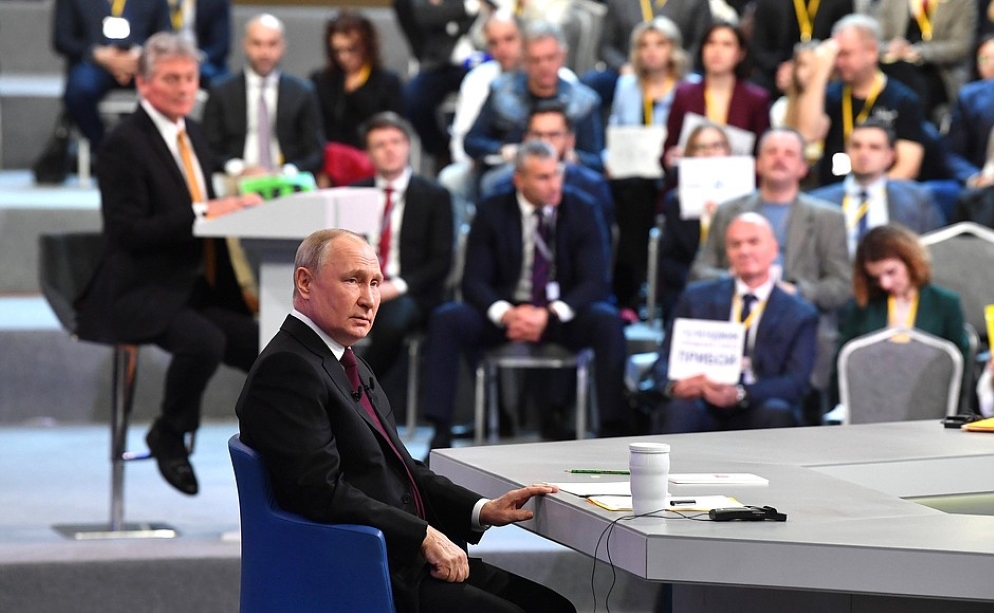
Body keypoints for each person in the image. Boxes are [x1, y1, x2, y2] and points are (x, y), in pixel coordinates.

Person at [235, 229, 576, 613]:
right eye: (353, 281)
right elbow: (320, 493)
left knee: (553, 607)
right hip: (363, 571)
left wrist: (481, 509)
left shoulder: (343, 360)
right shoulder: (288, 369)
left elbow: (400, 467)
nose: (369, 299)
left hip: (402, 559)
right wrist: (423, 536)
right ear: (305, 282)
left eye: (375, 283)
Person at [76, 32, 262, 496]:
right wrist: (203, 212)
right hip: (142, 286)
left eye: (190, 78)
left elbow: (207, 205)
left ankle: (279, 447)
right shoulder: (122, 143)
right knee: (205, 342)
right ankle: (169, 433)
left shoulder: (192, 132)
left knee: (266, 347)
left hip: (194, 285)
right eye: (171, 79)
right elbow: (127, 232)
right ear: (143, 83)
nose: (184, 88)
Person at [423, 141, 627, 449]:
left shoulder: (583, 209)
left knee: (607, 321)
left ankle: (613, 432)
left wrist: (549, 314)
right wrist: (506, 313)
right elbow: (474, 281)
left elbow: (595, 282)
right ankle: (440, 434)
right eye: (543, 177)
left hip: (561, 313)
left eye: (557, 173)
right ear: (519, 180)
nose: (554, 184)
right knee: (447, 319)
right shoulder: (492, 210)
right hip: (508, 312)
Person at [691, 127, 851, 414]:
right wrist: (734, 280)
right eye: (772, 152)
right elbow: (700, 271)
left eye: (789, 153)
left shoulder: (829, 218)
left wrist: (796, 292)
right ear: (757, 163)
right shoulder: (728, 211)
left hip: (797, 328)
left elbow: (842, 286)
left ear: (803, 167)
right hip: (731, 323)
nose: (780, 159)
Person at [651, 213, 818, 433]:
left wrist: (740, 394)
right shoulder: (695, 299)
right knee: (680, 409)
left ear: (774, 249)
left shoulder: (799, 313)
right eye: (735, 244)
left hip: (757, 403)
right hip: (701, 401)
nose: (744, 251)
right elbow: (663, 360)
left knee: (776, 412)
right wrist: (674, 386)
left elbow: (796, 382)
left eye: (753, 242)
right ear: (727, 252)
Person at [350, 112, 454, 400]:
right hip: (359, 287)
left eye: (395, 142)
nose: (390, 150)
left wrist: (393, 287)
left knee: (394, 320)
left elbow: (441, 262)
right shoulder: (355, 194)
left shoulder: (434, 195)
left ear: (408, 145)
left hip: (409, 291)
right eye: (380, 144)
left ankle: (355, 390)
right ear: (368, 153)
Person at [831, 223, 969, 405]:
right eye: (876, 278)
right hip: (874, 401)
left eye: (891, 272)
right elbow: (843, 363)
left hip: (930, 400)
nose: (885, 284)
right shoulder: (865, 307)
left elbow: (961, 367)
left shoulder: (945, 303)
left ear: (911, 261)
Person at [798, 14, 927, 187]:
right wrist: (820, 71)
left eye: (846, 54)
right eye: (836, 55)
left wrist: (866, 194)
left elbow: (908, 167)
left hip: (881, 194)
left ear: (871, 51)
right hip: (832, 192)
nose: (839, 62)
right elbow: (807, 134)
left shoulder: (902, 100)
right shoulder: (832, 94)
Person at [465, 21, 604, 176]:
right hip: (510, 174)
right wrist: (502, 150)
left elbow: (597, 161)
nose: (544, 66)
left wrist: (575, 157)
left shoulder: (584, 102)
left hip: (567, 176)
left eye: (550, 58)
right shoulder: (502, 93)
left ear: (562, 56)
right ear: (524, 60)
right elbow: (471, 141)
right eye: (535, 60)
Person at [202, 13, 324, 180]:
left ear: (282, 47)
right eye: (257, 44)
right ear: (245, 45)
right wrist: (238, 169)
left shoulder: (302, 92)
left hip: (287, 179)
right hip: (234, 179)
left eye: (272, 44)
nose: (264, 52)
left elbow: (315, 152)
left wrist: (287, 171)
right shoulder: (221, 91)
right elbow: (207, 147)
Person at [808, 119, 944, 255]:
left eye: (874, 147)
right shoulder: (817, 202)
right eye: (856, 146)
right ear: (846, 151)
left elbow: (936, 249)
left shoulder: (918, 200)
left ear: (890, 156)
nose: (863, 153)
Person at [53, 0, 171, 150]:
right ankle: (104, 147)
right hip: (95, 62)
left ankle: (149, 147)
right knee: (78, 91)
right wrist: (96, 53)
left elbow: (165, 34)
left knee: (168, 88)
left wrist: (140, 56)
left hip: (141, 63)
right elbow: (62, 39)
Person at [662, 21, 770, 171]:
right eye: (711, 43)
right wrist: (671, 157)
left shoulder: (756, 99)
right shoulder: (684, 94)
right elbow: (667, 149)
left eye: (727, 44)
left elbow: (762, 153)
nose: (717, 51)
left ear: (741, 53)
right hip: (692, 178)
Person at [657, 122, 733, 323]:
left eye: (716, 145)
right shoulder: (676, 202)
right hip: (690, 286)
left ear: (728, 151)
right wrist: (700, 282)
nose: (709, 153)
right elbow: (669, 262)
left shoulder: (748, 201)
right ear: (689, 154)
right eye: (700, 147)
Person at [865, 0, 975, 125]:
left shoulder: (960, 3)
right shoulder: (892, 2)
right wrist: (890, 47)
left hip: (938, 71)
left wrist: (919, 52)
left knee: (918, 88)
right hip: (894, 66)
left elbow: (960, 47)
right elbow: (872, 40)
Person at [586, 0, 710, 108]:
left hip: (680, 68)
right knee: (591, 85)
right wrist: (622, 66)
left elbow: (701, 43)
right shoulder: (619, 2)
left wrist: (678, 66)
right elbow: (605, 47)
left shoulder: (694, 2)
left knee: (698, 85)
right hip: (629, 68)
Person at [310, 10, 403, 151]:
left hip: (373, 157)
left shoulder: (388, 83)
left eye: (352, 49)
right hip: (332, 157)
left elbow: (394, 130)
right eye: (337, 51)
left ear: (366, 46)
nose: (344, 57)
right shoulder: (321, 81)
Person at [747, 0, 853, 97]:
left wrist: (816, 68)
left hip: (825, 74)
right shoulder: (769, 3)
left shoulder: (839, 3)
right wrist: (781, 69)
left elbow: (843, 44)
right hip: (775, 74)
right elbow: (759, 47)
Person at [944, 36, 994, 188]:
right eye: (984, 59)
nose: (992, 64)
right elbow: (951, 152)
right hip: (982, 184)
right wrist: (975, 179)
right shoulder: (969, 97)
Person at [172, 0, 231, 87]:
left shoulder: (215, 2)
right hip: (168, 56)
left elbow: (220, 46)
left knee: (222, 84)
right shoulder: (158, 3)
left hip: (202, 58)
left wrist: (198, 57)